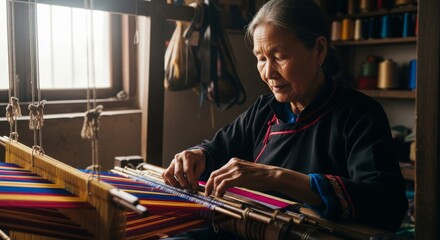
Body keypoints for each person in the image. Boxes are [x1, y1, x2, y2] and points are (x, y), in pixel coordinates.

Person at [162, 0, 408, 233]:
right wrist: (197, 156)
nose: (268, 72)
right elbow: (217, 150)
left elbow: (386, 204)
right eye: (261, 58)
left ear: (319, 51)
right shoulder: (265, 110)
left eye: (279, 57)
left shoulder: (359, 115)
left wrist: (276, 177)